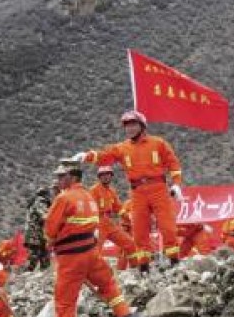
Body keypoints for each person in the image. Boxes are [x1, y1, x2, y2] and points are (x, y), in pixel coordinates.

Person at [44, 160, 148, 317]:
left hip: (70, 258)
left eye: (61, 176)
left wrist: (50, 242)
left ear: (72, 177)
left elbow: (50, 230)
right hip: (91, 253)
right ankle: (125, 315)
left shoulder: (63, 198)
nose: (58, 180)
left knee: (65, 302)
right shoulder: (89, 196)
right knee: (108, 283)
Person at [73, 110, 184, 272]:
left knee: (167, 227)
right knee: (139, 230)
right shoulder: (122, 148)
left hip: (159, 189)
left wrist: (176, 184)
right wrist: (87, 156)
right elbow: (105, 157)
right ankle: (144, 268)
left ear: (142, 126)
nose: (129, 129)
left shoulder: (158, 143)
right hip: (137, 192)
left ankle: (175, 263)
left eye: (133, 125)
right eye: (127, 126)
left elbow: (173, 164)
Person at [89, 165, 138, 266]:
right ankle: (90, 275)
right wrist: (93, 227)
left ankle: (135, 267)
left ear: (111, 176)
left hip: (108, 222)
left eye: (108, 174)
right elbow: (89, 208)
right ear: (99, 177)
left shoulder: (112, 191)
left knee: (129, 243)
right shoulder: (94, 190)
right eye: (103, 175)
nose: (106, 177)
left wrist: (128, 217)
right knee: (95, 251)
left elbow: (118, 208)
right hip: (97, 222)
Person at [24, 186, 54, 271]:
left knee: (43, 254)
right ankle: (28, 272)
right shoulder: (40, 202)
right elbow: (44, 216)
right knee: (35, 255)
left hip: (36, 233)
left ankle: (42, 271)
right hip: (36, 233)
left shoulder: (36, 202)